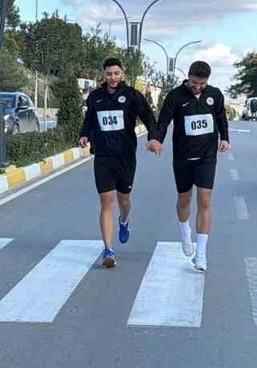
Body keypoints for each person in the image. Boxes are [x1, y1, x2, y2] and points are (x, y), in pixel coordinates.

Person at [147, 61, 230, 273]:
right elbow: (163, 121)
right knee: (184, 200)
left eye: (202, 83)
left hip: (207, 157)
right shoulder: (176, 96)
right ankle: (185, 233)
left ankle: (201, 254)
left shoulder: (215, 95)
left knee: (204, 201)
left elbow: (221, 117)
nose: (198, 87)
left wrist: (225, 138)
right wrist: (156, 140)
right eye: (194, 82)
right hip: (183, 157)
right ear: (189, 77)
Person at [79, 57, 157, 268]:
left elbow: (148, 117)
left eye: (116, 73)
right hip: (103, 156)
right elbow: (90, 120)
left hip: (125, 156)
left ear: (122, 73)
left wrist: (154, 137)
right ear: (103, 75)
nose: (112, 78)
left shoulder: (132, 95)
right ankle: (108, 250)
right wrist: (84, 134)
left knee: (124, 199)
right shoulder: (95, 97)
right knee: (106, 201)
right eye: (108, 74)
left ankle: (124, 221)